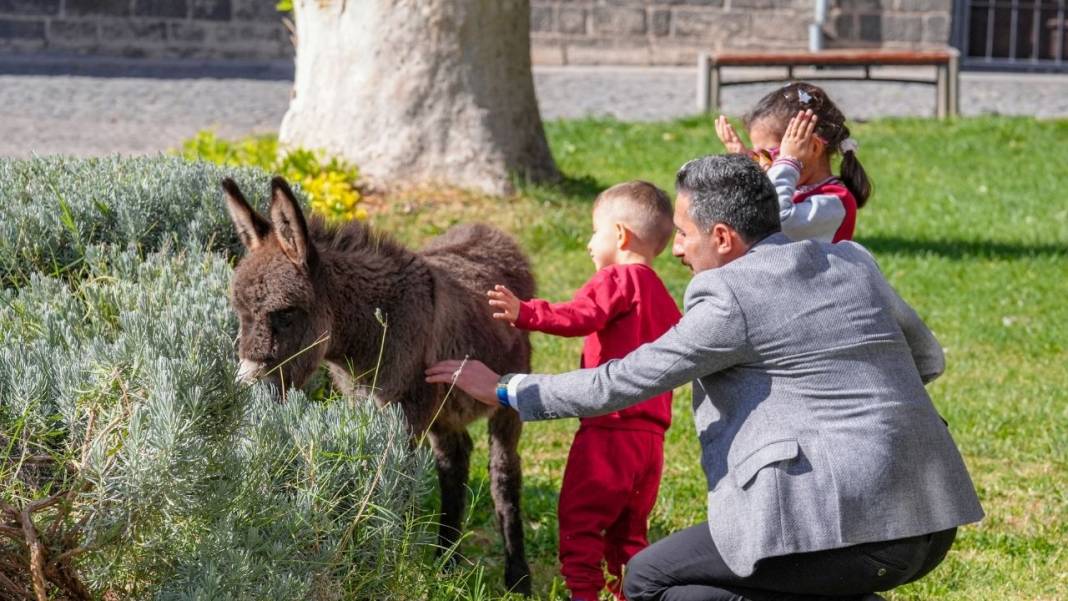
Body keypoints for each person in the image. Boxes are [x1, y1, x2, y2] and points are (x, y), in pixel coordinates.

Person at [427, 154, 983, 601]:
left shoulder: (729, 295)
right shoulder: (851, 262)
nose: (675, 249)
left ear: (722, 237)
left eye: (684, 233)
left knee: (648, 579)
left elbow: (620, 382)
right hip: (929, 519)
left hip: (839, 525)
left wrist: (505, 388)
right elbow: (928, 361)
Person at [487, 180, 682, 601]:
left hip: (607, 434)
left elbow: (580, 316)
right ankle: (627, 593)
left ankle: (583, 594)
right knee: (630, 534)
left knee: (581, 523)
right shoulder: (665, 298)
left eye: (595, 232)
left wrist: (526, 312)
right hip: (650, 444)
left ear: (620, 235)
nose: (589, 244)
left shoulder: (617, 280)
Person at [715, 82, 872, 243]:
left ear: (814, 147)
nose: (762, 162)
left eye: (769, 154)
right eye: (757, 155)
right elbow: (743, 218)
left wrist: (787, 163)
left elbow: (773, 222)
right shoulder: (786, 186)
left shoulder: (836, 201)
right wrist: (747, 170)